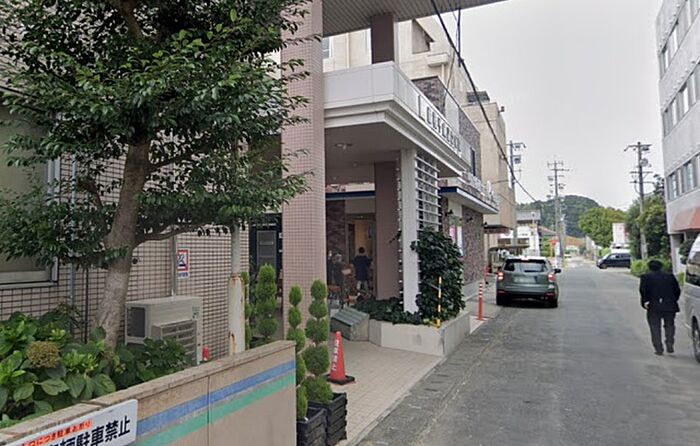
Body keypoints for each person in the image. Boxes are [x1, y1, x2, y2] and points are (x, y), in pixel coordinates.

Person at [639, 259, 681, 356]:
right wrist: (673, 300)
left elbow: (643, 291)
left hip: (653, 305)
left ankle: (658, 348)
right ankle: (669, 342)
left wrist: (645, 302)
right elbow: (677, 290)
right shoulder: (670, 276)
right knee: (670, 325)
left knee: (655, 327)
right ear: (661, 266)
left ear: (649, 267)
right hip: (669, 305)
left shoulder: (645, 277)